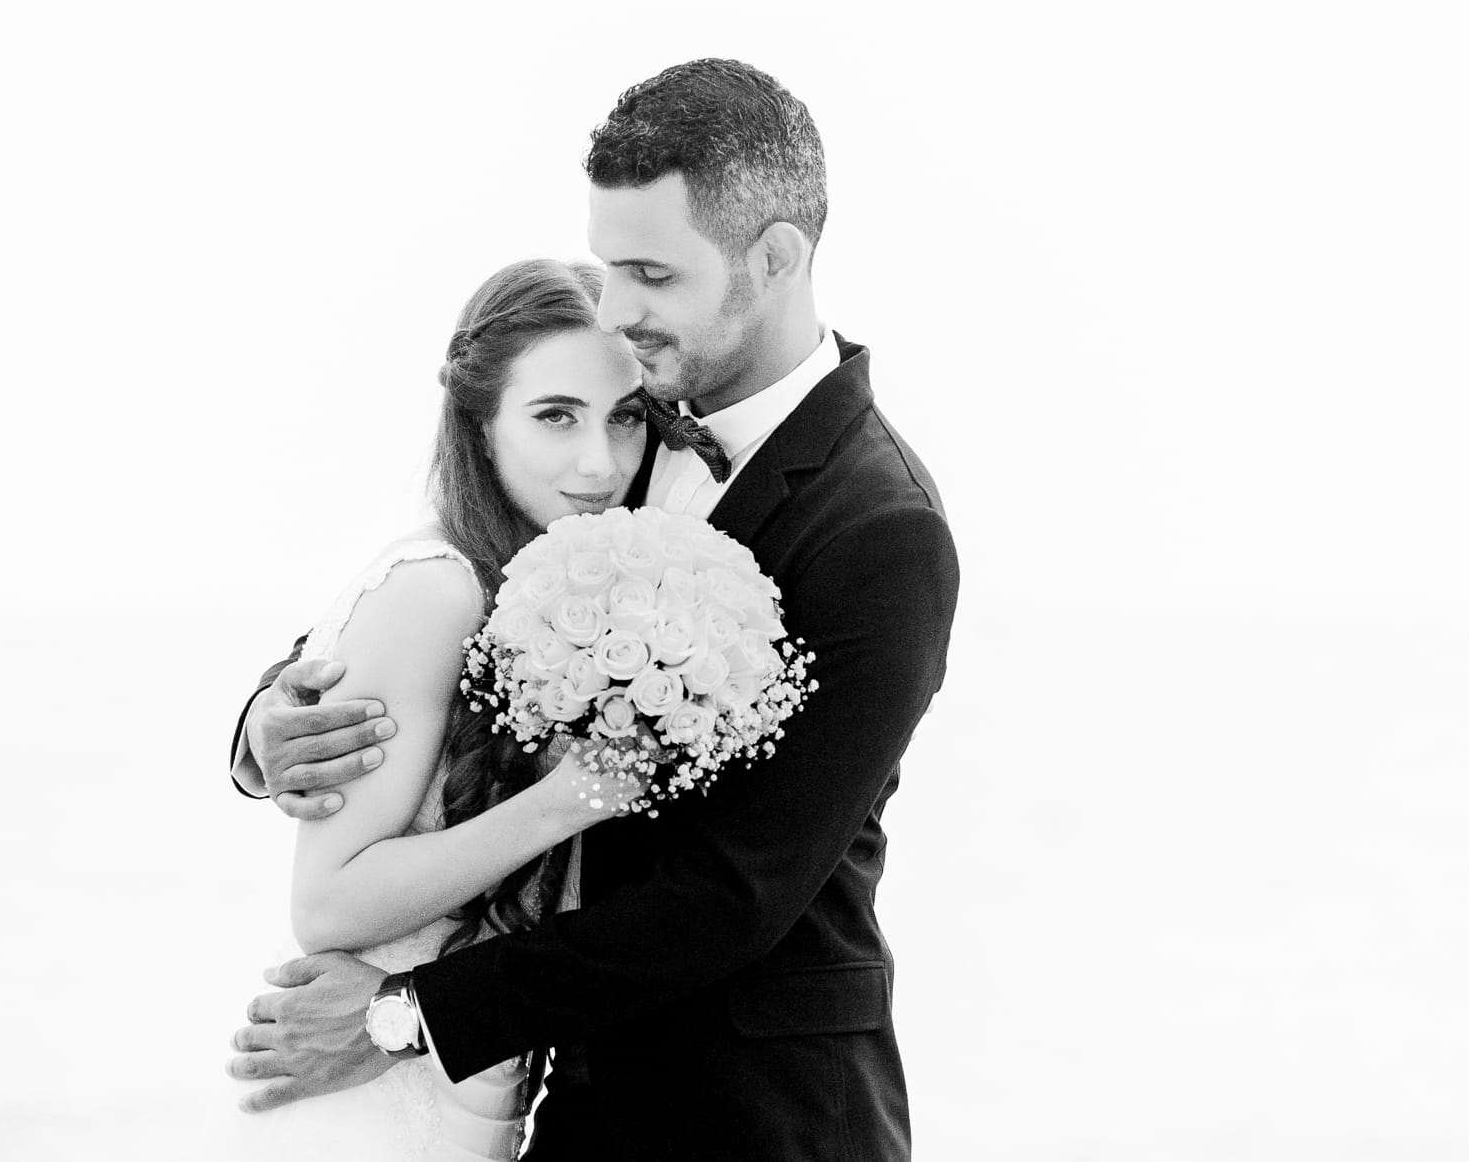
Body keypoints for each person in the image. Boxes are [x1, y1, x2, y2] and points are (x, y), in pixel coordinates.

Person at [228, 59, 961, 1161]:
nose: (615, 310)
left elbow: (730, 893)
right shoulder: (629, 421)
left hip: (754, 1115)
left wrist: (402, 1018)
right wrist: (267, 726)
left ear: (773, 259)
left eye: (648, 274)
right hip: (564, 1100)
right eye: (609, 268)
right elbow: (458, 571)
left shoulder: (879, 530)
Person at [226, 258, 649, 1160]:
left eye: (626, 417)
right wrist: (567, 800)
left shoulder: (552, 581)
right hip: (366, 1099)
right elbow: (329, 904)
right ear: (480, 422)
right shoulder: (437, 591)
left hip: (471, 1091)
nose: (599, 462)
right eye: (555, 416)